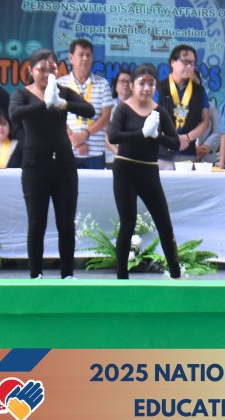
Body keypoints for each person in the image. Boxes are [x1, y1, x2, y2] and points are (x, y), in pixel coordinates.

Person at [9, 48, 95, 279]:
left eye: (52, 69)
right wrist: (45, 103)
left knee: (66, 223)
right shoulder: (22, 94)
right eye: (42, 69)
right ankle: (36, 273)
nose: (47, 74)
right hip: (35, 165)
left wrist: (62, 103)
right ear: (31, 70)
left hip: (64, 164)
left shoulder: (63, 92)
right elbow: (14, 114)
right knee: (37, 222)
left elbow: (89, 110)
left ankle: (67, 274)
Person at [106, 64, 182, 280]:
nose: (146, 88)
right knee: (128, 222)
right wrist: (141, 133)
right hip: (125, 170)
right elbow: (113, 136)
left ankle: (176, 273)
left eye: (151, 84)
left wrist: (158, 136)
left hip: (149, 171)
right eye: (141, 83)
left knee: (164, 223)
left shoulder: (159, 111)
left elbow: (175, 142)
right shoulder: (122, 109)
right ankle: (122, 277)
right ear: (132, 85)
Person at [59, 39, 113, 170]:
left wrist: (85, 134)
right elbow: (56, 117)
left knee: (95, 184)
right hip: (67, 150)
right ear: (71, 58)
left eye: (88, 55)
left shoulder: (102, 84)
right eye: (81, 55)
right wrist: (74, 140)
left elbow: (105, 117)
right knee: (65, 184)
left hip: (95, 152)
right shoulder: (59, 84)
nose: (85, 59)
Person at [154, 44, 211, 169]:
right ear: (172, 62)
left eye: (192, 63)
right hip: (161, 155)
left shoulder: (199, 91)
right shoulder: (159, 88)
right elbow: (152, 120)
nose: (189, 66)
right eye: (185, 62)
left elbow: (205, 121)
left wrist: (188, 138)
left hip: (188, 154)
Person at [105, 68, 133, 163]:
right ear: (116, 86)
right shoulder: (108, 107)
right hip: (111, 158)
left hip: (133, 158)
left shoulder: (138, 108)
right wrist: (119, 153)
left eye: (128, 82)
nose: (125, 84)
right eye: (122, 81)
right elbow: (104, 135)